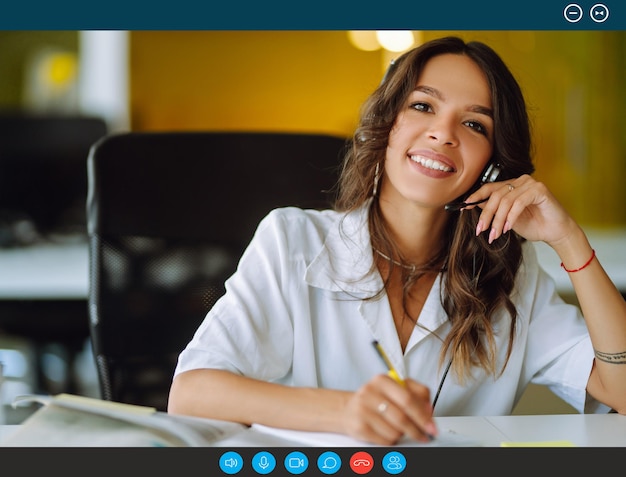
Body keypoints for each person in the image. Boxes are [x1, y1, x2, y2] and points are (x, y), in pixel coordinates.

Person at [168, 36, 626, 445]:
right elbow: (191, 394)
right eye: (423, 106)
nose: (443, 134)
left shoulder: (509, 273)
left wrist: (569, 241)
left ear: (492, 166)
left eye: (474, 125)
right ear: (387, 125)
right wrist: (346, 412)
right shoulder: (293, 240)